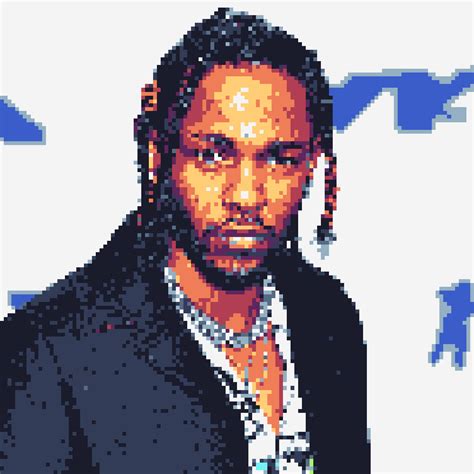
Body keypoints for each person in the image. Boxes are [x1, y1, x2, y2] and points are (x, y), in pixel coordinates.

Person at [0, 8, 370, 473]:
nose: (246, 195)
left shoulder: (328, 316)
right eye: (214, 155)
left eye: (279, 159)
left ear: (312, 165)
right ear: (159, 155)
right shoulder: (46, 352)